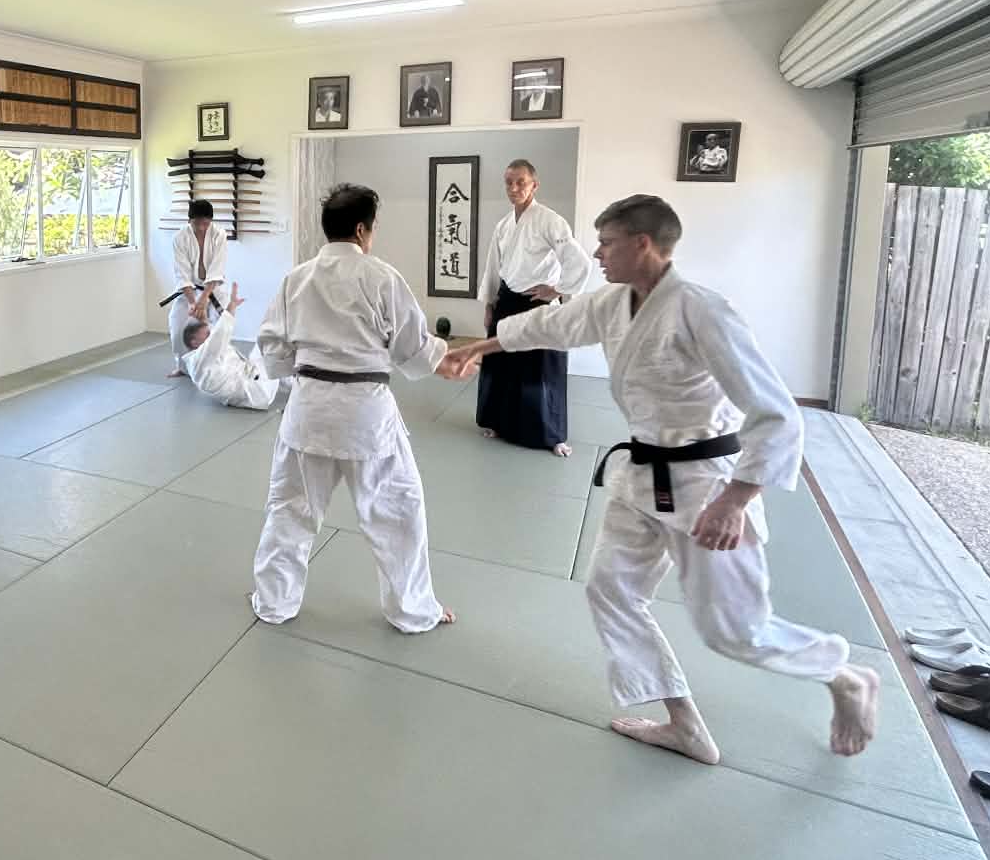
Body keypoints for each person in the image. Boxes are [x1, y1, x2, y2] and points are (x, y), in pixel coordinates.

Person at [463, 195, 879, 763]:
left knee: (736, 632)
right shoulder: (613, 302)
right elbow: (551, 323)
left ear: (642, 244)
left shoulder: (702, 310)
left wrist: (736, 500)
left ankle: (845, 676)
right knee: (610, 590)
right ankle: (684, 723)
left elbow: (777, 414)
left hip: (706, 485)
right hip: (641, 475)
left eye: (606, 242)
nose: (596, 253)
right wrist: (478, 348)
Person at [250, 183, 479, 631]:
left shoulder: (296, 279)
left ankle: (274, 602)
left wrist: (306, 365)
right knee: (398, 515)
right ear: (361, 230)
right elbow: (411, 346)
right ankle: (412, 610)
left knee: (289, 512)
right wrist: (442, 362)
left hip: (308, 412)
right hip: (365, 417)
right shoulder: (381, 277)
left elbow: (271, 344)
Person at [475, 159, 591, 455]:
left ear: (534, 185)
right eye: (509, 182)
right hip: (507, 299)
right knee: (502, 364)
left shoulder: (550, 220)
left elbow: (578, 260)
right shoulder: (503, 225)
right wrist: (489, 303)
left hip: (538, 302)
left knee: (542, 367)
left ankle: (552, 434)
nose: (514, 188)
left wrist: (558, 289)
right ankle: (498, 421)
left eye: (521, 182)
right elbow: (493, 266)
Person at [182, 288, 280, 410]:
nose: (210, 334)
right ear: (194, 342)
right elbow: (219, 334)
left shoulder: (205, 355)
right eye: (207, 334)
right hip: (257, 390)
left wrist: (203, 315)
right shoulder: (198, 362)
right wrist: (231, 307)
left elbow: (215, 332)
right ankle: (296, 379)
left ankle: (292, 378)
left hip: (253, 378)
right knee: (275, 342)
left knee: (264, 340)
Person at [167, 198, 229, 376]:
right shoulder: (180, 238)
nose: (202, 228)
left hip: (213, 290)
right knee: (177, 326)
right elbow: (182, 273)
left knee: (220, 329)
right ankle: (183, 367)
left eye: (205, 223)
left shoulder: (219, 235)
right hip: (189, 291)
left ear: (211, 221)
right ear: (189, 220)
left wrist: (203, 301)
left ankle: (217, 368)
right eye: (197, 223)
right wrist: (193, 303)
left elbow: (216, 270)